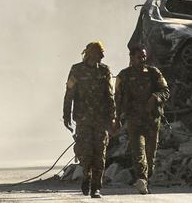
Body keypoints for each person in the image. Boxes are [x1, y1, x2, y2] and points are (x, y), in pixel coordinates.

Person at [63, 41, 115, 198]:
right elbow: (69, 93)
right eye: (99, 53)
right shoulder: (76, 70)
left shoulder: (105, 70)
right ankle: (86, 175)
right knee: (85, 152)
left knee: (100, 152)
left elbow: (109, 95)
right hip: (83, 119)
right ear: (90, 53)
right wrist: (66, 115)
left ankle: (96, 187)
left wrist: (112, 117)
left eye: (102, 53)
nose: (102, 56)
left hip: (101, 119)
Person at [114, 45, 170, 195]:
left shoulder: (153, 72)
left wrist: (155, 97)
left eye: (144, 56)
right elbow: (117, 99)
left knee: (151, 154)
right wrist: (116, 118)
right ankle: (141, 178)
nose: (143, 59)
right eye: (139, 57)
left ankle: (145, 179)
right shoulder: (123, 76)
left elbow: (166, 90)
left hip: (152, 120)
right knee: (138, 151)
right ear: (131, 58)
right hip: (134, 120)